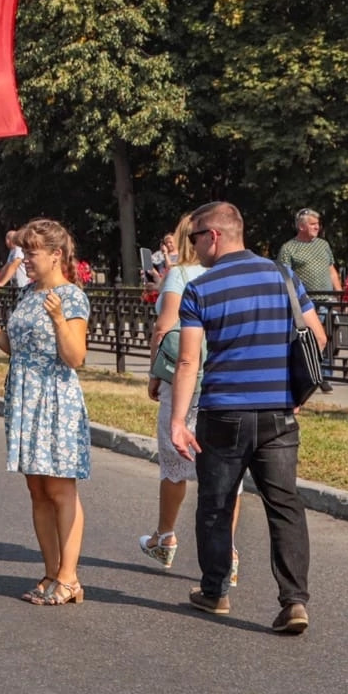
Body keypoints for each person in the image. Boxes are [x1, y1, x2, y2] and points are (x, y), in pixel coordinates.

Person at [170, 201, 326, 634]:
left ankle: (215, 591)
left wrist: (177, 420)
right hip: (279, 412)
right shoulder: (283, 275)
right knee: (285, 505)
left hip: (224, 413)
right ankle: (294, 602)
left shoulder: (201, 289)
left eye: (196, 237)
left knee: (216, 505)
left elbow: (187, 362)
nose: (194, 246)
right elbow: (318, 336)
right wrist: (295, 392)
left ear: (214, 235)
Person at [0, 219, 91, 606]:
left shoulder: (70, 297)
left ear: (56, 255)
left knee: (59, 487)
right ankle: (51, 571)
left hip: (55, 400)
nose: (24, 260)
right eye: (22, 252)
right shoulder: (28, 294)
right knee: (37, 489)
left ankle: (70, 578)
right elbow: (18, 347)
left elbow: (75, 357)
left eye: (31, 253)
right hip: (25, 397)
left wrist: (58, 320)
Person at [140, 217, 243, 579]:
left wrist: (154, 371)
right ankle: (228, 553)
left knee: (175, 462)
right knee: (230, 470)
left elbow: (164, 326)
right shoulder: (233, 274)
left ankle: (165, 537)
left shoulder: (180, 275)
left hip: (185, 375)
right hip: (227, 376)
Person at [277, 209, 342, 294]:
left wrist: (340, 295)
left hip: (329, 301)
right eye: (312, 224)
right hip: (304, 303)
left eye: (318, 224)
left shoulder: (323, 244)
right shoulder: (288, 248)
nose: (317, 227)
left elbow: (331, 271)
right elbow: (284, 278)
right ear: (301, 226)